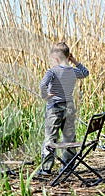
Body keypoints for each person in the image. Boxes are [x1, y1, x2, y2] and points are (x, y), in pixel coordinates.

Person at [37, 42, 89, 175]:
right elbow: (85, 72)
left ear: (55, 57)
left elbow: (43, 84)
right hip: (69, 107)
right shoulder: (73, 71)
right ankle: (68, 166)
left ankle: (46, 168)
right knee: (69, 136)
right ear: (68, 56)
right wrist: (74, 61)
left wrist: (45, 96)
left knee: (51, 137)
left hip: (54, 108)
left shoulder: (52, 71)